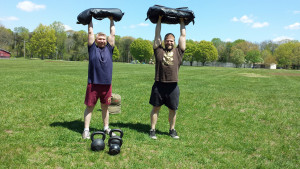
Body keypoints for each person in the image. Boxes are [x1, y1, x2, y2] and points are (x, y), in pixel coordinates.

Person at [149, 16, 186, 139]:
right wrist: (159, 19)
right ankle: (152, 130)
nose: (169, 42)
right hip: (159, 84)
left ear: (174, 42)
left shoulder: (178, 52)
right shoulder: (158, 50)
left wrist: (181, 22)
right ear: (164, 41)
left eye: (171, 41)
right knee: (156, 108)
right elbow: (157, 34)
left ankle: (172, 130)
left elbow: (183, 37)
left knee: (173, 110)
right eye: (167, 40)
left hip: (173, 86)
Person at [82, 17, 116, 139]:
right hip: (93, 84)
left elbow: (112, 34)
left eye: (103, 39)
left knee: (105, 107)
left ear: (106, 41)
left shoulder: (109, 48)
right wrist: (90, 19)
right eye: (100, 39)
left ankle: (106, 127)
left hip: (107, 85)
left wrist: (111, 20)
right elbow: (90, 32)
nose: (102, 41)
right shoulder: (92, 48)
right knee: (90, 107)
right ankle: (86, 130)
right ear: (96, 40)